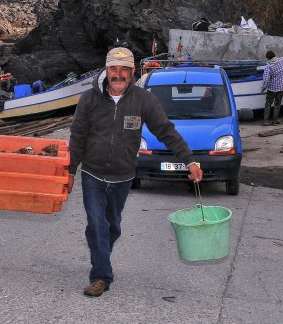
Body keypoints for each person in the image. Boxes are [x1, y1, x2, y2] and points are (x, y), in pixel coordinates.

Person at [68, 47, 203, 297]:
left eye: (124, 70)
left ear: (132, 72)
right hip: (93, 174)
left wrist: (189, 161)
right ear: (106, 70)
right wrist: (69, 171)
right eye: (113, 69)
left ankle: (100, 257)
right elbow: (77, 136)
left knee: (113, 226)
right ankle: (101, 276)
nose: (118, 74)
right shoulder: (89, 99)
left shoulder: (144, 100)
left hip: (123, 176)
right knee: (96, 224)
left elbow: (166, 131)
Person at [260, 50, 283, 125]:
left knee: (268, 104)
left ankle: (266, 121)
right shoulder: (282, 60)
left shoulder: (268, 66)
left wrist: (263, 89)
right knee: (277, 104)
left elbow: (266, 80)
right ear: (274, 55)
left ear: (267, 58)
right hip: (281, 87)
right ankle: (275, 121)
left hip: (271, 88)